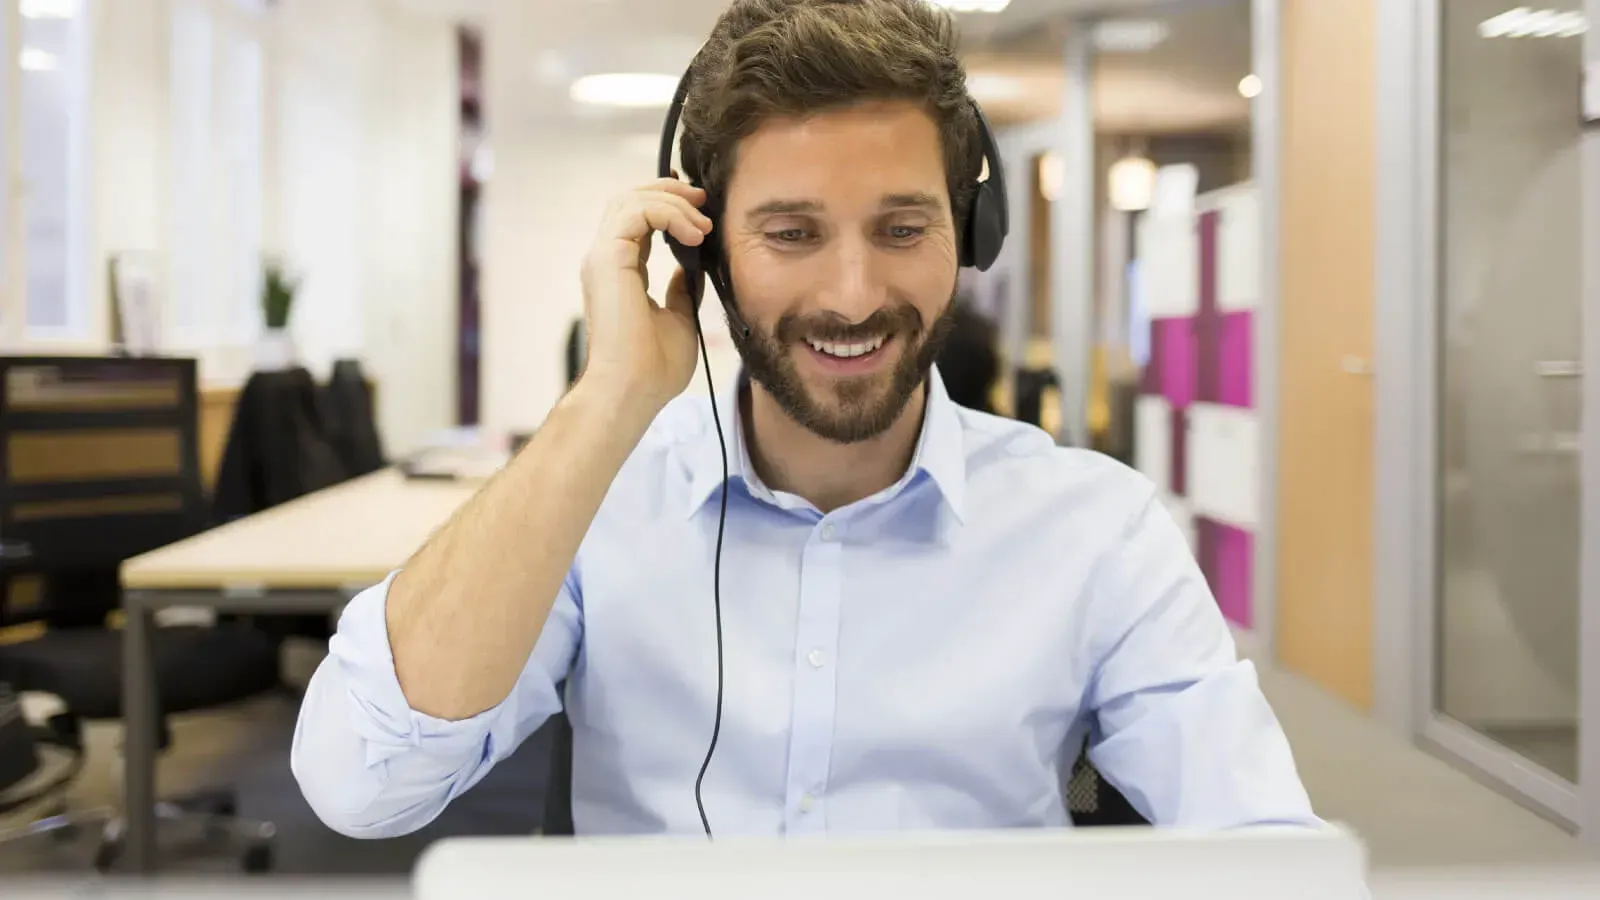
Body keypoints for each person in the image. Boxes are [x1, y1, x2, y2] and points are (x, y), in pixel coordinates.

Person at [291, 0, 1318, 838]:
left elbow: (1266, 847)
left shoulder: (1098, 528)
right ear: (704, 252)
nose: (854, 295)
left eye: (902, 228)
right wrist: (607, 397)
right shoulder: (599, 506)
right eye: (791, 233)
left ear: (970, 232)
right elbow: (359, 783)